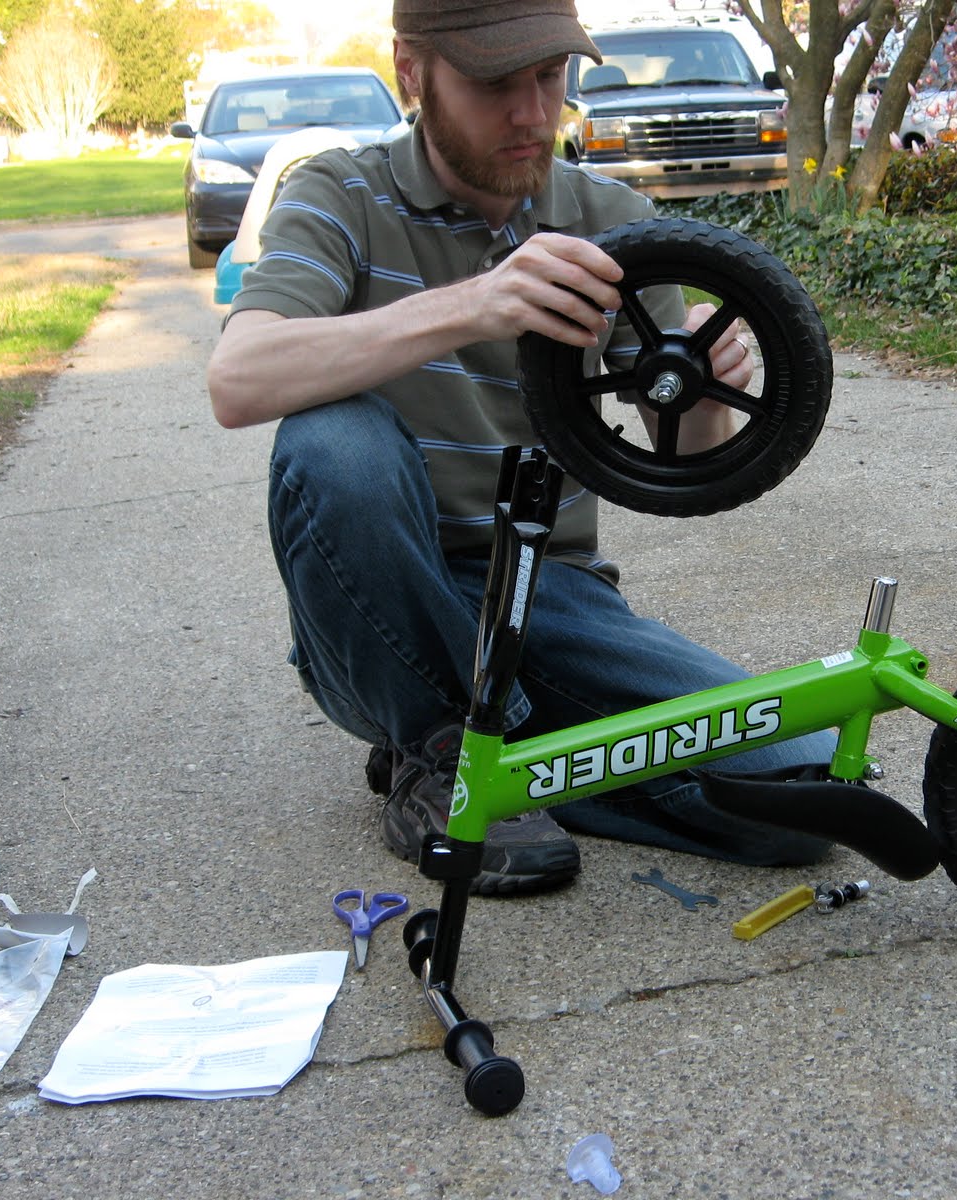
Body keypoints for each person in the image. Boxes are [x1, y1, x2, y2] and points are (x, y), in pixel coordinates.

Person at [206, 0, 833, 897]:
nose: (534, 114)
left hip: (549, 598)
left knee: (799, 788)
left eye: (550, 77)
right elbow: (240, 378)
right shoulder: (339, 194)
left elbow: (690, 455)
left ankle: (503, 758)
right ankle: (440, 742)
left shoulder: (605, 216)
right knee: (333, 439)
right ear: (413, 73)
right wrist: (476, 304)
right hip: (381, 598)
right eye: (497, 83)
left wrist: (697, 370)